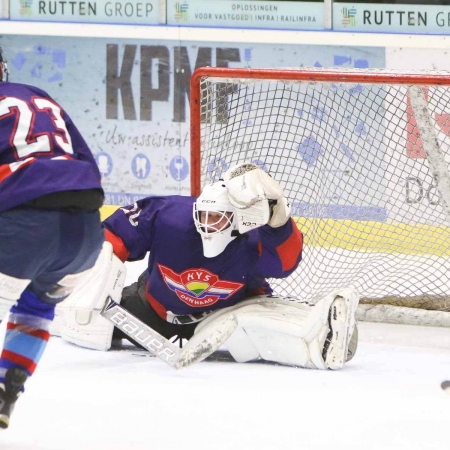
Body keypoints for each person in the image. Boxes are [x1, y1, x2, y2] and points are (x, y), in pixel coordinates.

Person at [57, 161, 359, 370]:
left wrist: (279, 222)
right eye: (202, 215)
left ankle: (322, 335)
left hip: (228, 315)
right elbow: (111, 237)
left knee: (268, 338)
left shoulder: (253, 237)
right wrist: (91, 281)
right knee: (85, 326)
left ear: (238, 221)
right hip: (153, 309)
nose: (206, 224)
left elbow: (284, 265)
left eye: (216, 219)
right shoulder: (170, 216)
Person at [0, 48, 105, 428]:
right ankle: (7, 388)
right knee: (36, 308)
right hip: (85, 238)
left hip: (20, 230)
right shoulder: (37, 95)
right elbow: (86, 167)